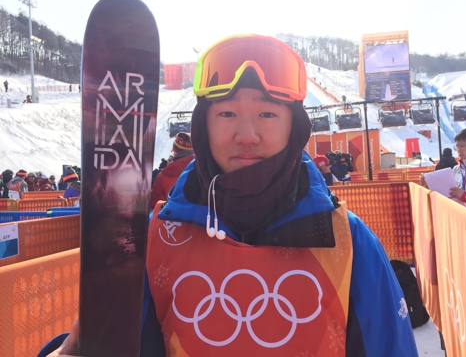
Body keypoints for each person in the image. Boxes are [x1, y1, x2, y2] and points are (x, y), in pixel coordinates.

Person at [40, 34, 417, 357]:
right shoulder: (155, 238)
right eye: (227, 115)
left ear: (295, 128)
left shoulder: (346, 241)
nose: (247, 134)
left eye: (268, 114)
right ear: (202, 126)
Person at [150, 132, 195, 209]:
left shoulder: (163, 176)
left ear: (174, 150)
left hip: (171, 219)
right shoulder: (206, 171)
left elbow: (155, 204)